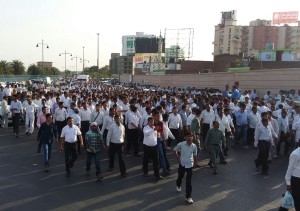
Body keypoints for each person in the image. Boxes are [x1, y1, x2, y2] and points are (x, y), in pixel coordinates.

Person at [174, 132, 197, 204]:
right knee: (180, 177)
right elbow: (175, 150)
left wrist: (195, 163)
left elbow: (195, 155)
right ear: (185, 137)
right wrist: (178, 158)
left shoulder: (194, 146)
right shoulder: (181, 144)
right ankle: (178, 184)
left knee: (188, 182)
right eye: (188, 136)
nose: (189, 138)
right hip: (182, 164)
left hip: (190, 165)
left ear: (192, 137)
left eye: (191, 136)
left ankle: (188, 197)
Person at [284, 142, 300, 211]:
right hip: (296, 181)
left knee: (293, 198)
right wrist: (288, 183)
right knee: (297, 200)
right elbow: (289, 169)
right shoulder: (295, 154)